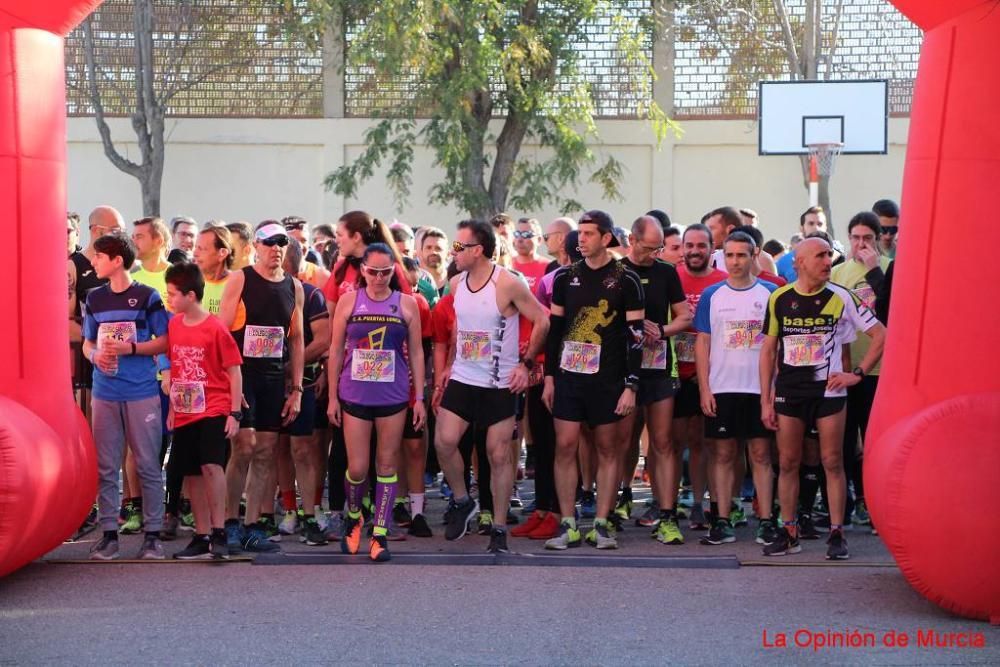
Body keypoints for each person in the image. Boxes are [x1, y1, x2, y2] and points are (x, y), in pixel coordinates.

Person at [760, 237, 886, 560]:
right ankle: (789, 531)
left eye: (830, 255)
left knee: (832, 460)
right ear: (799, 262)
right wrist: (766, 398)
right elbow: (768, 350)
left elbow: (881, 334)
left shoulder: (841, 296)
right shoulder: (779, 298)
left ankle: (836, 532)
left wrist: (856, 373)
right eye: (820, 256)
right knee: (788, 462)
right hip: (790, 391)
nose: (827, 261)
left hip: (829, 391)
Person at [435, 220, 549, 553]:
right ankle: (461, 500)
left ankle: (498, 527)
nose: (453, 253)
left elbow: (542, 320)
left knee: (497, 455)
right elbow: (462, 330)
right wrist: (448, 366)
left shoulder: (508, 284)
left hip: (499, 383)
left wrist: (526, 365)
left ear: (478, 250)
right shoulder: (455, 285)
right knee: (444, 442)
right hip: (463, 378)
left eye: (459, 247)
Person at [542, 210, 644, 551]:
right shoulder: (563, 278)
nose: (580, 239)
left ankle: (601, 523)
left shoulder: (625, 279)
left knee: (607, 449)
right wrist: (549, 378)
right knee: (566, 445)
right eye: (579, 233)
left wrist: (631, 385)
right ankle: (568, 523)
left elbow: (636, 337)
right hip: (569, 378)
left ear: (606, 238)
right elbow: (555, 333)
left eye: (588, 233)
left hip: (609, 380)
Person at [327, 243, 426, 561]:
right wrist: (331, 397)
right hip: (354, 394)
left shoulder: (407, 304)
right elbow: (335, 349)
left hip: (393, 395)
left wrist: (419, 397)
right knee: (356, 467)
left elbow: (418, 352)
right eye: (373, 271)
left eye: (386, 272)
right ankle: (354, 516)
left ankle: (380, 534)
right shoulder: (348, 301)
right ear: (363, 270)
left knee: (386, 464)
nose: (379, 278)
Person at [218, 221, 305, 553]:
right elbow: (223, 334)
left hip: (272, 378)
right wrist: (230, 382)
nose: (276, 248)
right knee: (244, 447)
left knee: (267, 452)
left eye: (282, 242)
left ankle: (253, 525)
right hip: (244, 376)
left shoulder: (294, 286)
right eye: (269, 242)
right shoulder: (241, 279)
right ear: (256, 245)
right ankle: (228, 523)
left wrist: (296, 389)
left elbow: (296, 340)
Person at [82, 232, 170, 560]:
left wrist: (131, 348)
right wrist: (95, 356)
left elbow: (164, 341)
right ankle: (108, 534)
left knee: (148, 464)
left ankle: (152, 535)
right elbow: (90, 342)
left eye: (99, 257)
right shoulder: (94, 298)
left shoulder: (148, 296)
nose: (93, 262)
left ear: (117, 260)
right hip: (105, 392)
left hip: (141, 391)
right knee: (106, 466)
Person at [694, 231, 779, 546]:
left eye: (741, 255)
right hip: (722, 387)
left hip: (758, 389)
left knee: (760, 453)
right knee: (724, 453)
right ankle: (722, 519)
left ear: (754, 255)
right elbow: (703, 343)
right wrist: (705, 388)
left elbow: (776, 347)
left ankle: (767, 520)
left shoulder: (771, 294)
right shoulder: (712, 295)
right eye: (729, 255)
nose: (735, 262)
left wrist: (772, 389)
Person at [161, 262, 243, 560]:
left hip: (214, 407)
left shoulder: (215, 328)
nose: (169, 299)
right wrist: (172, 407)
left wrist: (234, 412)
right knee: (191, 472)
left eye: (173, 294)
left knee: (212, 465)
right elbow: (176, 365)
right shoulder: (173, 324)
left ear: (191, 295)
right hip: (184, 409)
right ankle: (201, 533)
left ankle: (220, 532)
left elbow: (234, 371)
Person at [619, 216, 690, 545]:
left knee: (662, 443)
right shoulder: (616, 271)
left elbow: (685, 316)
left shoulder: (666, 272)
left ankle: (667, 512)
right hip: (622, 369)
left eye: (659, 247)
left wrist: (661, 330)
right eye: (649, 247)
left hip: (660, 367)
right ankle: (621, 497)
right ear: (632, 240)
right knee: (624, 439)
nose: (655, 253)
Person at [829, 211, 891, 527]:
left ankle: (873, 502)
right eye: (856, 238)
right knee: (843, 440)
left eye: (868, 238)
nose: (861, 244)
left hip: (879, 370)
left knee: (873, 441)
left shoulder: (889, 269)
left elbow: (892, 308)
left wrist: (874, 270)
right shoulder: (838, 272)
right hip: (843, 368)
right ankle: (848, 501)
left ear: (880, 238)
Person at [272, 238, 331, 546]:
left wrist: (290, 366)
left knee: (302, 449)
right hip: (268, 385)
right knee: (276, 448)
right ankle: (290, 510)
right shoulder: (257, 293)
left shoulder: (311, 294)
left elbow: (323, 340)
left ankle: (310, 514)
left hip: (302, 384)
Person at [673, 224, 727, 530]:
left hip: (708, 375)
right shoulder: (671, 278)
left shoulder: (721, 282)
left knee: (703, 441)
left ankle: (698, 502)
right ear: (682, 248)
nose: (694, 251)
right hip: (673, 373)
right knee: (669, 441)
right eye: (689, 245)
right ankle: (664, 502)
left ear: (711, 249)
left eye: (701, 245)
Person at [775, 207, 827, 283]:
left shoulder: (837, 258)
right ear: (802, 228)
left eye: (820, 224)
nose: (816, 227)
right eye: (811, 223)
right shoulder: (784, 261)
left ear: (825, 227)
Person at [131, 216, 173, 303]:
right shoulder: (129, 278)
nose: (133, 242)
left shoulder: (181, 278)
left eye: (139, 237)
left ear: (158, 241)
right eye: (133, 237)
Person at [511, 217, 550, 291]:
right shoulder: (507, 265)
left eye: (526, 234)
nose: (519, 239)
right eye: (517, 234)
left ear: (539, 240)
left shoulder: (549, 267)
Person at [418, 227, 449, 297]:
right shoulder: (415, 284)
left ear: (448, 253)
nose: (433, 252)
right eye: (428, 247)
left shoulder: (457, 282)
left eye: (438, 248)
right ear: (421, 251)